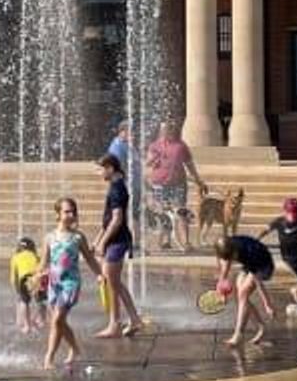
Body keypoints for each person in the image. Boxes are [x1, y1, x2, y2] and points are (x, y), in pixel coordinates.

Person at [39, 198, 103, 372]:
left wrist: (99, 274)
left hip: (70, 283)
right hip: (54, 283)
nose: (71, 215)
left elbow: (90, 259)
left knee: (57, 319)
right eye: (67, 211)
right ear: (58, 214)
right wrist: (38, 276)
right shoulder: (49, 237)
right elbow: (44, 262)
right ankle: (75, 348)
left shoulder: (78, 237)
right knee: (59, 321)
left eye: (73, 211)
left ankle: (49, 357)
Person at [93, 154, 146, 339]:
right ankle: (133, 319)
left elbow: (117, 220)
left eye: (100, 169)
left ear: (110, 168)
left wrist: (103, 242)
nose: (98, 173)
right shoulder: (116, 186)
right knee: (114, 282)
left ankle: (115, 324)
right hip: (115, 239)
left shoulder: (117, 189)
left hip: (117, 241)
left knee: (111, 281)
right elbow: (107, 219)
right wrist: (98, 238)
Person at [211, 233, 278, 351]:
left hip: (263, 265)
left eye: (232, 258)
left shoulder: (249, 252)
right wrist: (220, 290)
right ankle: (261, 327)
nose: (231, 260)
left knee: (243, 294)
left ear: (234, 252)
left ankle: (238, 335)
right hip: (248, 264)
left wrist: (267, 304)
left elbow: (258, 282)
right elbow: (224, 268)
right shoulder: (226, 246)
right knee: (240, 297)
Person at [143, 121, 202, 252]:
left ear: (172, 130)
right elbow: (148, 163)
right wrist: (153, 160)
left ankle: (186, 242)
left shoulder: (181, 146)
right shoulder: (154, 146)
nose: (164, 132)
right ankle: (166, 240)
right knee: (163, 213)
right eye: (162, 129)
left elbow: (189, 164)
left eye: (167, 129)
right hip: (159, 184)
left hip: (178, 184)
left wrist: (198, 179)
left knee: (181, 212)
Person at [9, 237, 43, 334]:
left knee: (25, 302)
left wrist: (17, 289)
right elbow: (42, 269)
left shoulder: (15, 257)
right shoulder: (35, 256)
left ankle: (27, 326)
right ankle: (40, 321)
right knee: (40, 301)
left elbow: (14, 276)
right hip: (36, 277)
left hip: (23, 279)